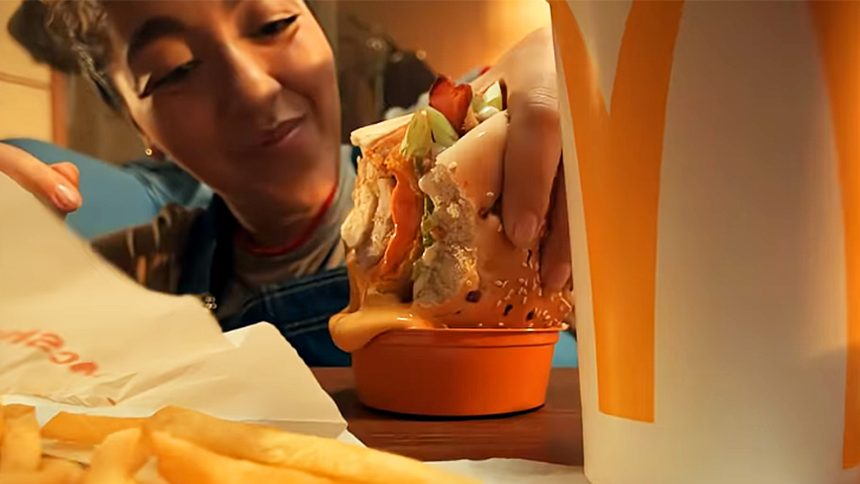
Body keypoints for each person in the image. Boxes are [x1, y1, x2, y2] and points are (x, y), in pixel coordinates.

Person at [0, 0, 571, 366]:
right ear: (135, 122)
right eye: (174, 69)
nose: (253, 87)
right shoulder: (148, 272)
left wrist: (573, 67)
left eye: (273, 24)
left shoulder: (479, 176)